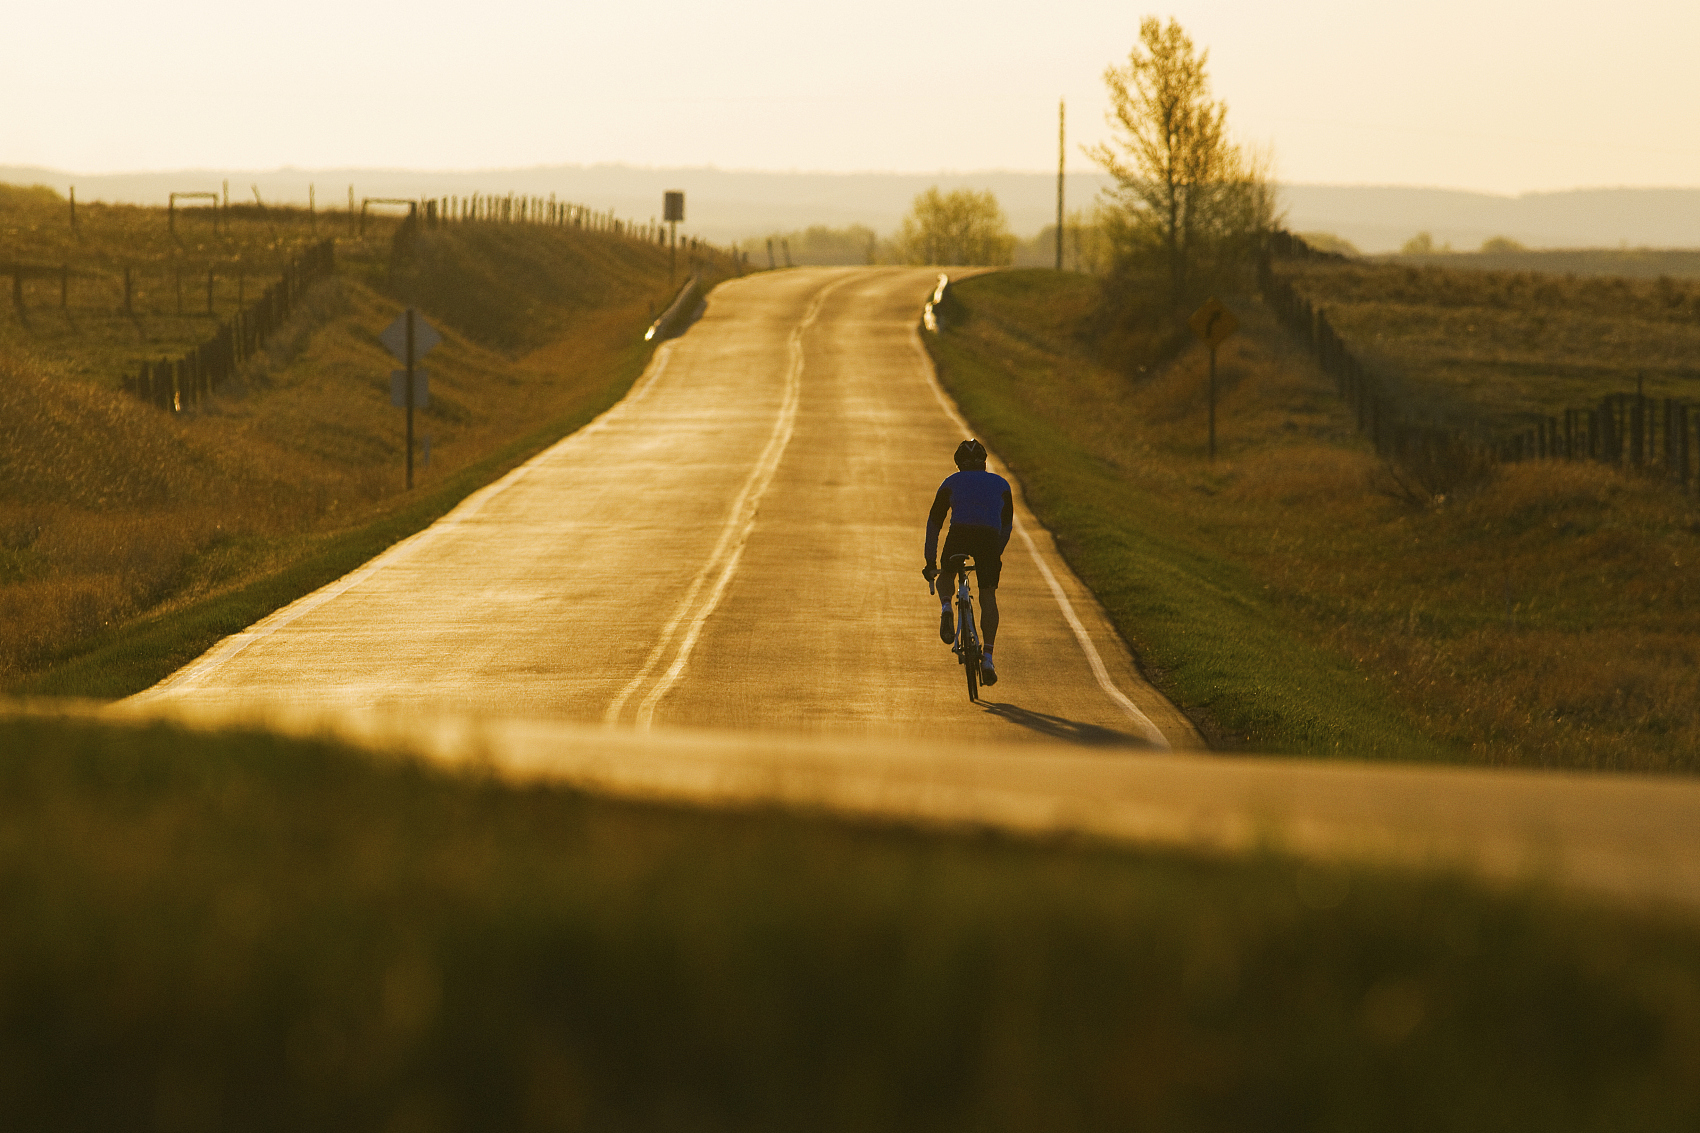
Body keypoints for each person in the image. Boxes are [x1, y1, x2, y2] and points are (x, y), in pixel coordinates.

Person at [922, 439, 1013, 686]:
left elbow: (934, 523)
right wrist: (996, 554)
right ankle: (988, 658)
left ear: (958, 464)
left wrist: (930, 561)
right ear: (984, 463)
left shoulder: (950, 482)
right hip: (989, 539)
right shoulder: (1002, 484)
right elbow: (1006, 527)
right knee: (988, 596)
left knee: (947, 575)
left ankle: (946, 609)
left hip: (959, 534)